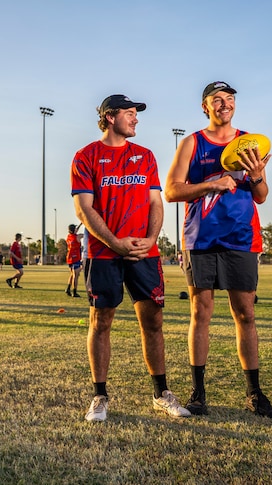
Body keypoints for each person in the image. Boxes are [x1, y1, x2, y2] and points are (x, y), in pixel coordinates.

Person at [163, 81, 272, 418]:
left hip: (241, 237)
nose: (225, 104)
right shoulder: (192, 142)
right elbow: (171, 191)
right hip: (201, 238)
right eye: (217, 99)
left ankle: (254, 394)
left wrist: (256, 175)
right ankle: (198, 394)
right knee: (201, 313)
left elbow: (261, 196)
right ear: (205, 107)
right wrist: (212, 184)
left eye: (229, 98)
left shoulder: (249, 143)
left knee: (246, 314)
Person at [73, 94, 189, 422]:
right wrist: (114, 242)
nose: (136, 118)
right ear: (110, 117)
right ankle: (99, 396)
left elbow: (155, 202)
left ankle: (161, 393)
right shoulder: (86, 156)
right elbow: (83, 209)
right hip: (103, 253)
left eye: (136, 113)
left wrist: (151, 240)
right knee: (101, 322)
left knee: (153, 322)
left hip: (143, 252)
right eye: (130, 113)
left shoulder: (145, 156)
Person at [65, 223, 82, 297]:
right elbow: (84, 235)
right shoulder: (77, 237)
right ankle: (74, 292)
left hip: (69, 257)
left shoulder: (69, 236)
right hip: (75, 258)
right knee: (76, 275)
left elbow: (76, 230)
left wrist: (81, 223)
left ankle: (68, 288)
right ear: (74, 230)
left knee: (72, 274)